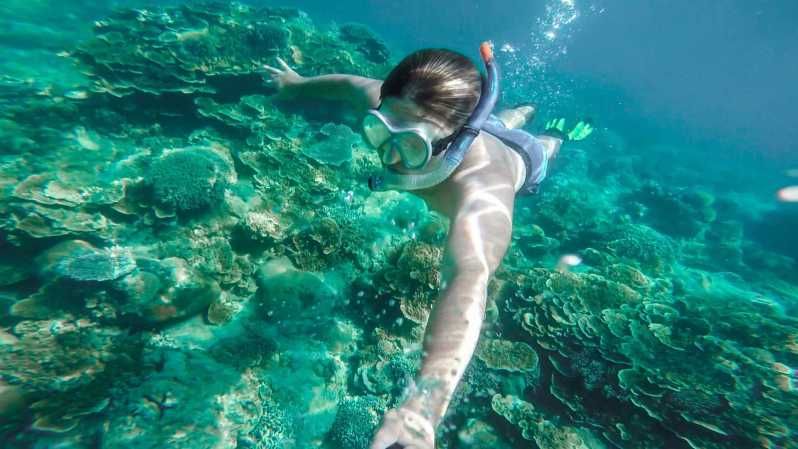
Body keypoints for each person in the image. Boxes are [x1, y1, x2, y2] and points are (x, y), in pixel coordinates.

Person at [264, 42, 592, 449]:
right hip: (476, 127)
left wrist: (424, 408)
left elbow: (468, 279)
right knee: (501, 120)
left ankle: (551, 132)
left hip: (519, 159)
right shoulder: (407, 107)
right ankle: (514, 111)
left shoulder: (482, 189)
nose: (391, 157)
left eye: (413, 146)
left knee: (536, 143)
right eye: (380, 129)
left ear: (451, 143)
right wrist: (296, 85)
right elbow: (350, 84)